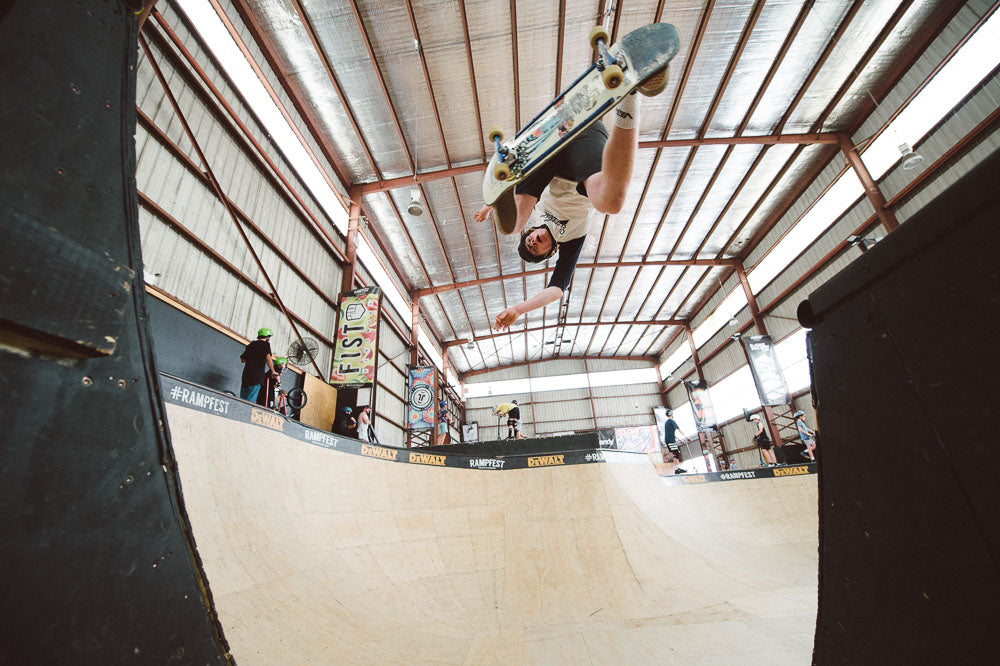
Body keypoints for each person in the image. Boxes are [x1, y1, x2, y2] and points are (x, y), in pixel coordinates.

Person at [473, 67, 669, 332]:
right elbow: (556, 290)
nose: (532, 242)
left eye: (528, 242)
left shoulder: (534, 219)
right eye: (535, 249)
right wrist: (518, 309)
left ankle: (508, 177)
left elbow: (520, 213)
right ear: (550, 252)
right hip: (580, 155)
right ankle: (630, 96)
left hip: (549, 152)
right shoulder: (571, 241)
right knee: (610, 202)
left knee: (516, 223)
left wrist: (490, 203)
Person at [239, 328, 278, 403]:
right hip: (257, 377)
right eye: (269, 337)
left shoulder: (251, 344)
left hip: (246, 376)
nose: (269, 338)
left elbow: (243, 359)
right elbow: (268, 359)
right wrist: (273, 371)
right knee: (250, 401)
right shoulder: (266, 344)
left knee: (242, 400)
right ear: (267, 336)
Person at [662, 409, 689, 473]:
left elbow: (671, 433)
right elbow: (679, 430)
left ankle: (677, 469)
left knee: (675, 453)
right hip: (670, 441)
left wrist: (679, 440)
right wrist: (687, 437)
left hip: (669, 440)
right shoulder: (672, 421)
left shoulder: (666, 422)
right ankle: (677, 469)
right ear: (671, 414)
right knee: (676, 453)